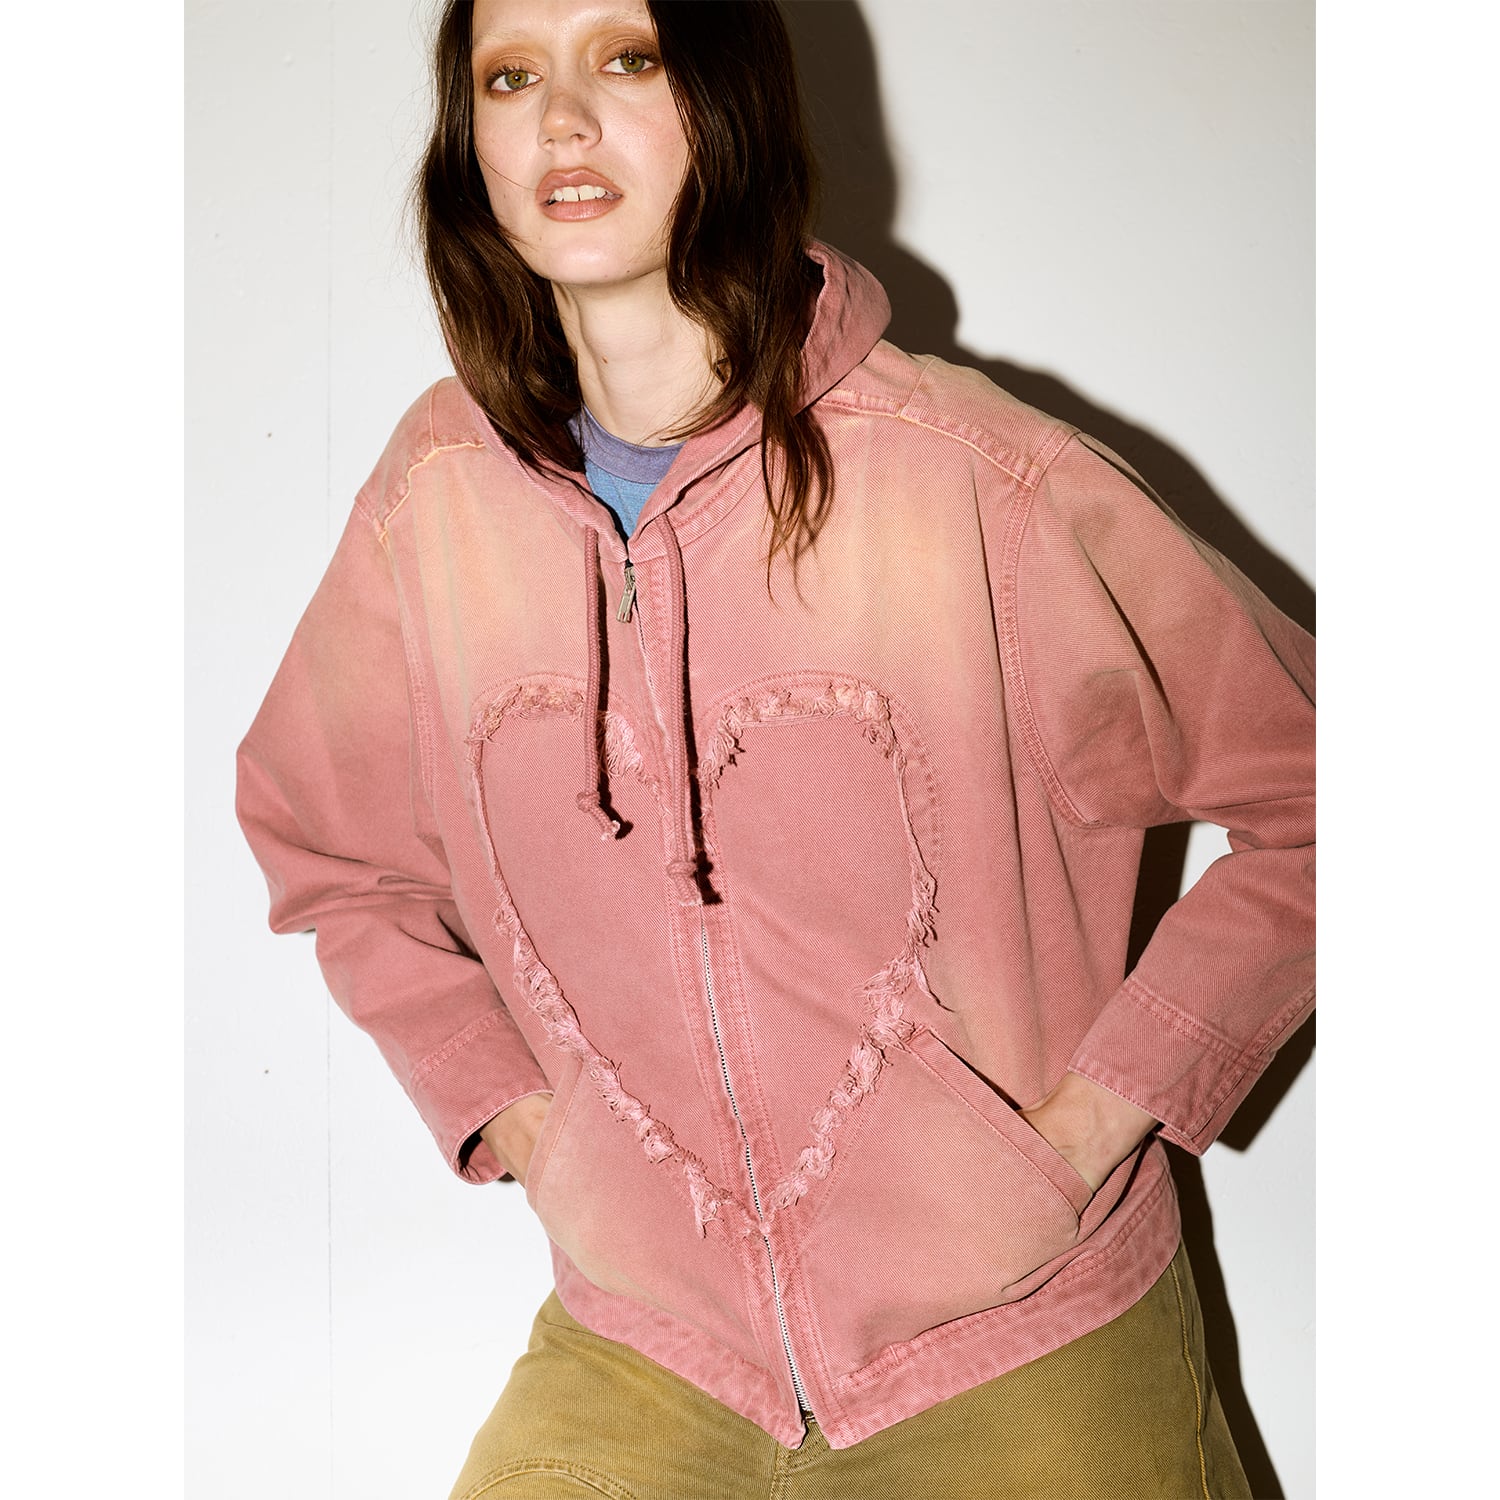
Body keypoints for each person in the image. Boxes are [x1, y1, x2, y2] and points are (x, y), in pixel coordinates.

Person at [236, 0, 1314, 1494]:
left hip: (1016, 1328)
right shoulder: (436, 504)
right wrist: (527, 1123)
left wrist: (1082, 1133)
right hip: (650, 1345)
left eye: (627, 58)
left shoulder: (969, 480)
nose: (561, 118)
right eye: (510, 76)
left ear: (729, 97)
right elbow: (328, 847)